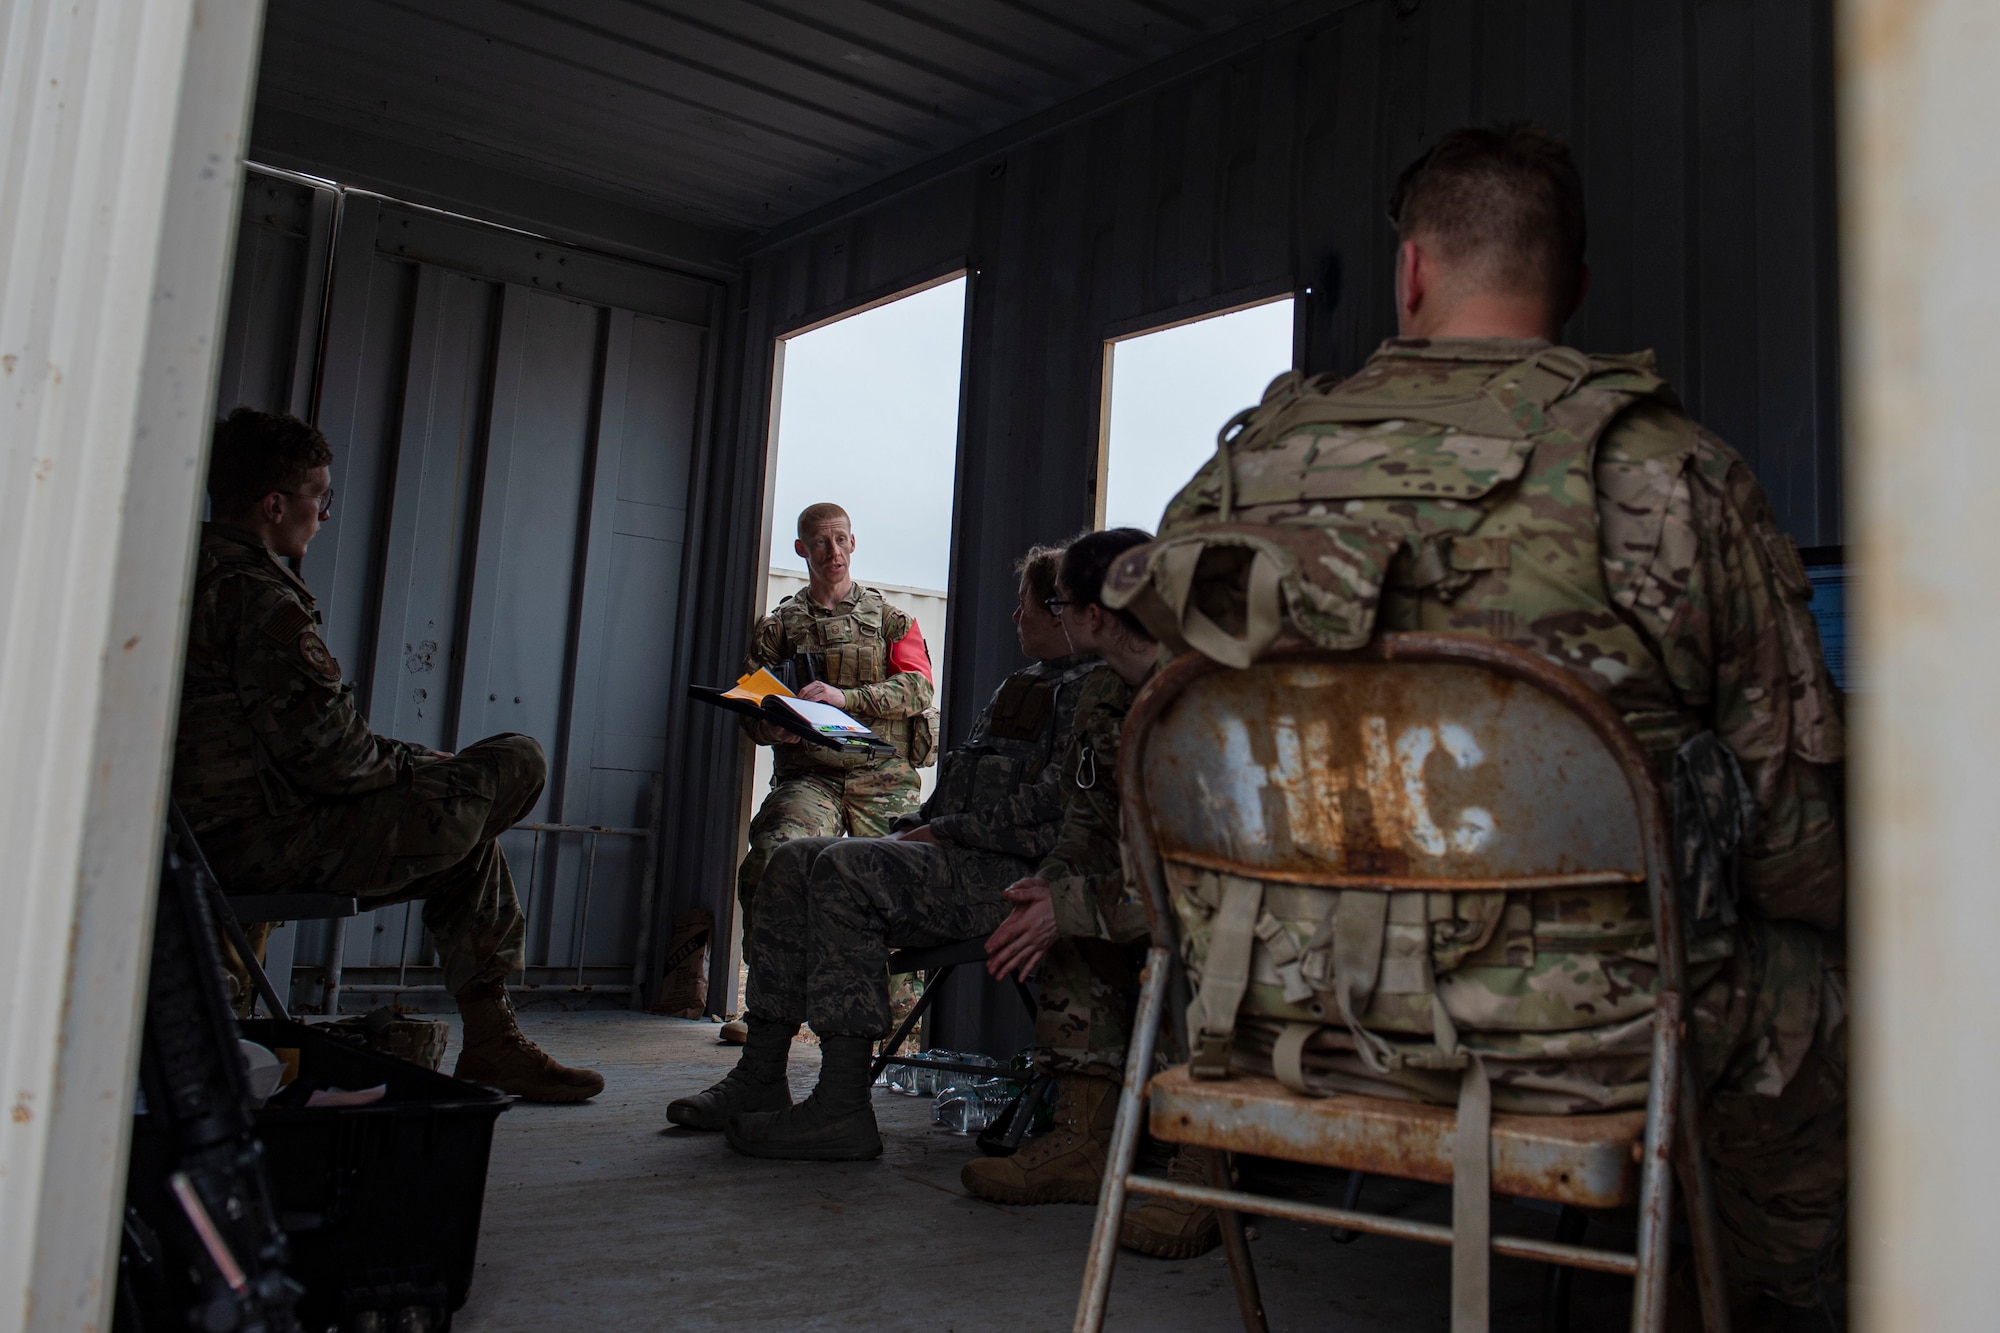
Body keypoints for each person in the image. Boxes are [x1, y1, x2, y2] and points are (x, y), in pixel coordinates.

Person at [1126, 126, 1846, 1323]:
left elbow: (1154, 794)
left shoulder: (1229, 483)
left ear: (1408, 272)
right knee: (1827, 988)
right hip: (1589, 1043)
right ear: (1568, 286)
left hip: (1256, 1019)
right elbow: (1795, 847)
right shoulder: (1667, 473)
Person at [173, 408, 602, 1102]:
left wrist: (413, 767)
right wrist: (422, 765)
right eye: (320, 496)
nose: (325, 513)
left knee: (465, 822)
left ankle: (493, 1043)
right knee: (514, 761)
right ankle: (492, 1040)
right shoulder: (257, 599)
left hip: (208, 834)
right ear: (275, 505)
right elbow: (335, 758)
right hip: (255, 843)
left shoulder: (183, 573)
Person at [666, 544, 1097, 1154]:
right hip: (963, 856)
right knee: (790, 859)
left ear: (1060, 611)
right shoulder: (1022, 686)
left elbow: (1058, 811)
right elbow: (962, 787)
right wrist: (916, 825)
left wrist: (938, 832)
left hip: (1018, 879)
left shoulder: (1096, 696)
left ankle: (841, 1104)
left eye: (1024, 604)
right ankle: (760, 1076)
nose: (1014, 617)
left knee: (848, 868)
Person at [961, 529, 1223, 1259]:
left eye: (1059, 602)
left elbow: (1216, 887)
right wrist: (1050, 885)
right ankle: (1083, 1138)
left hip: (1234, 914)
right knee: (1062, 912)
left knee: (1187, 952)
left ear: (1096, 615)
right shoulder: (1105, 691)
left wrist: (1073, 902)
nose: (1054, 614)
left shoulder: (1209, 688)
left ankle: (1205, 1163)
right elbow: (1089, 819)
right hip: (1151, 895)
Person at [727, 503, 937, 1017]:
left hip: (880, 775)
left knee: (894, 878)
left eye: (841, 540)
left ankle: (895, 1021)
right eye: (821, 542)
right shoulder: (781, 626)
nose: (833, 552)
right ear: (802, 549)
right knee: (772, 857)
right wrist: (771, 724)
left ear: (854, 543)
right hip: (812, 777)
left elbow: (918, 686)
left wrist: (849, 699)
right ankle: (771, 1007)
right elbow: (751, 704)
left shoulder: (890, 619)